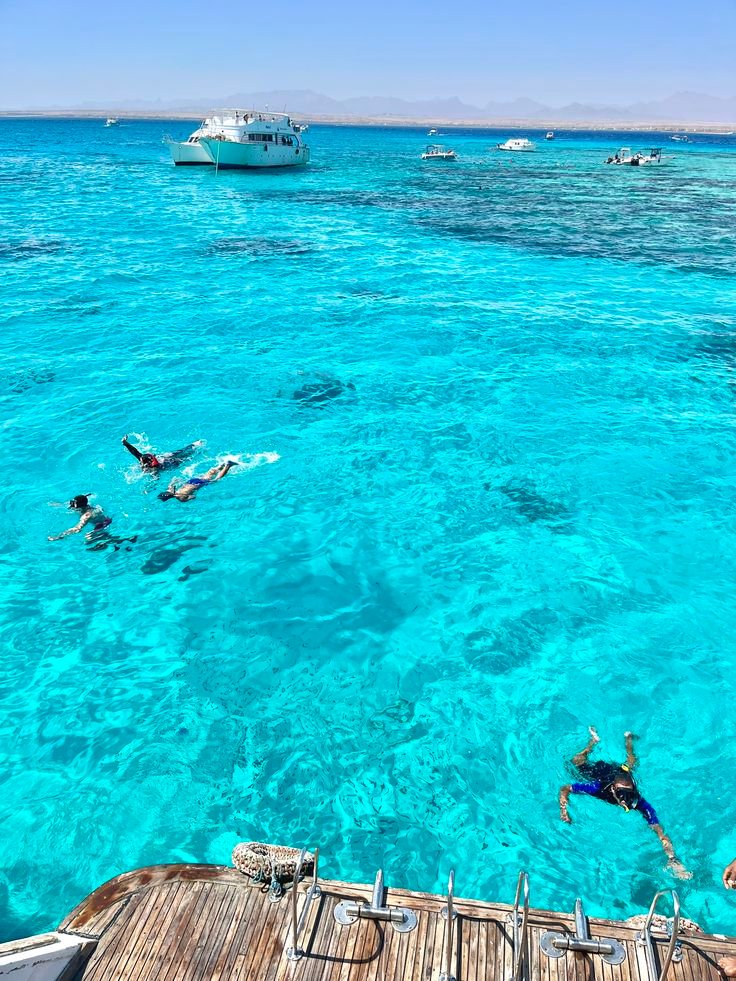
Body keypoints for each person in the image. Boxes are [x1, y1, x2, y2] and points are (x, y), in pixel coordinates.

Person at [559, 727, 691, 879]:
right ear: (614, 790)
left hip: (622, 772)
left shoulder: (638, 801)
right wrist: (564, 810)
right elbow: (565, 788)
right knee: (576, 762)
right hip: (601, 772)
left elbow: (660, 832)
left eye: (629, 795)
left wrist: (672, 858)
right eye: (622, 795)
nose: (625, 800)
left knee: (630, 763)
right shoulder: (598, 788)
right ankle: (593, 742)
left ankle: (628, 739)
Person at [48, 495, 135, 550]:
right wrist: (58, 505)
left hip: (102, 525)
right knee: (93, 538)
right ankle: (122, 540)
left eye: (73, 504)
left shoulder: (86, 516)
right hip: (106, 519)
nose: (70, 505)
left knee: (88, 540)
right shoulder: (86, 505)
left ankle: (123, 539)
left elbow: (77, 529)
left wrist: (60, 536)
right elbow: (89, 495)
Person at [158, 460, 239, 502]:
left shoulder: (181, 499)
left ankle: (228, 465)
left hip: (197, 485)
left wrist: (191, 495)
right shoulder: (170, 489)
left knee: (216, 480)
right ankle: (220, 466)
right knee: (205, 476)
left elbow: (193, 497)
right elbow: (173, 481)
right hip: (190, 481)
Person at [121, 435, 204, 472]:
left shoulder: (154, 467)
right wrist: (125, 443)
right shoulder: (142, 459)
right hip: (164, 457)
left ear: (148, 463)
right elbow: (133, 451)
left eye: (143, 463)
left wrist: (150, 486)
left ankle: (194, 446)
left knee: (183, 456)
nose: (141, 463)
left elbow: (156, 476)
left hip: (167, 462)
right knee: (182, 454)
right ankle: (195, 447)